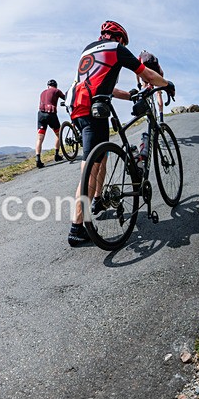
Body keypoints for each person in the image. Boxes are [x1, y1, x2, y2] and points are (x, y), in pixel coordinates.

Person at [66, 20, 174, 247]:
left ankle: (98, 200)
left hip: (79, 109)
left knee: (101, 158)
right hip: (93, 111)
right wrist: (166, 84)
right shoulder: (116, 49)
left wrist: (130, 95)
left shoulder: (88, 50)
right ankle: (77, 228)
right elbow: (148, 75)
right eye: (124, 43)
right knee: (89, 168)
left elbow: (105, 87)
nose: (124, 45)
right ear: (120, 39)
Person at [35, 80, 67, 168]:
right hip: (51, 114)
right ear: (55, 85)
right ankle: (57, 155)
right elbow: (66, 98)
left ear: (48, 86)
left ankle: (38, 159)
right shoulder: (56, 91)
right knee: (58, 134)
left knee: (40, 138)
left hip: (41, 114)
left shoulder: (42, 92)